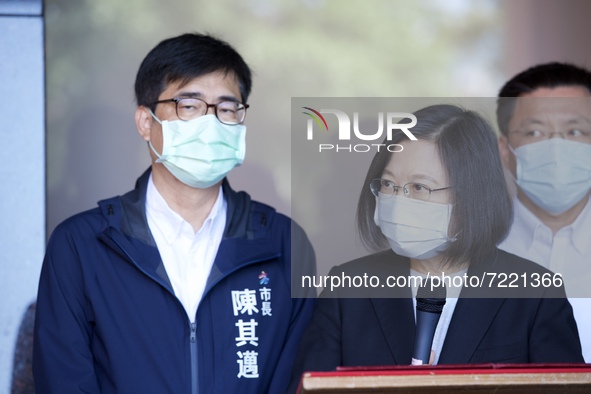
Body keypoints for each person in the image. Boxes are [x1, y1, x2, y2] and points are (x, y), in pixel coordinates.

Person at [33, 33, 316, 393]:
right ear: (145, 122)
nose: (211, 123)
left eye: (227, 109)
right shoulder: (82, 245)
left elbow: (297, 378)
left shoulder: (284, 244)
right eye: (190, 106)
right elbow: (63, 380)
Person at [288, 104, 583, 392]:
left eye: (419, 188)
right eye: (389, 184)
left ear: (472, 196)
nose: (397, 200)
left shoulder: (535, 294)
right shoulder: (347, 289)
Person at [496, 62, 591, 363]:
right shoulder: (466, 250)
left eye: (575, 131)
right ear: (504, 148)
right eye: (534, 132)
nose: (556, 148)